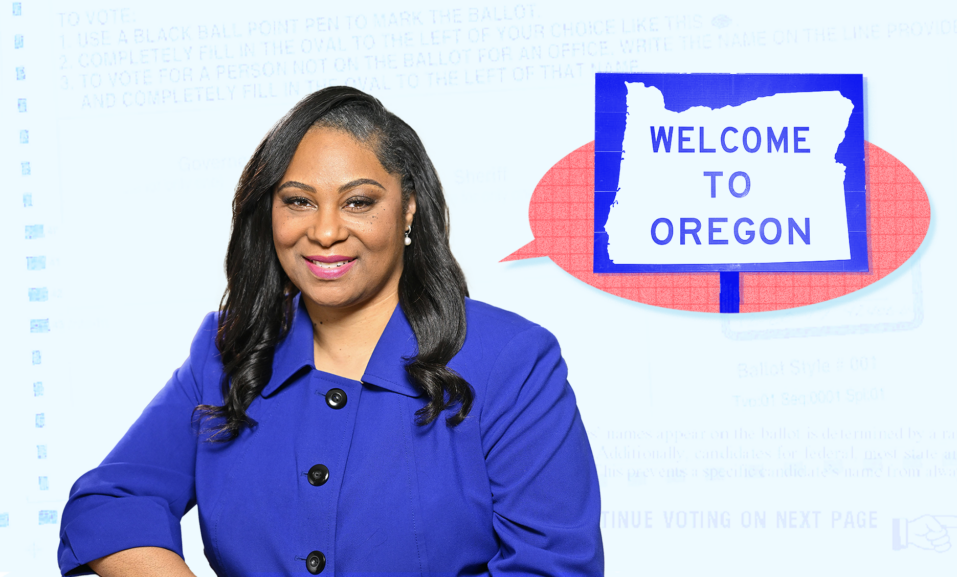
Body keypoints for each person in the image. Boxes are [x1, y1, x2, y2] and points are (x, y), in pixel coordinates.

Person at [56, 87, 603, 576]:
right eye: (298, 201)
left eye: (358, 202)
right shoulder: (229, 349)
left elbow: (556, 568)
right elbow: (110, 502)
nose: (324, 231)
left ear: (408, 208)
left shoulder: (512, 360)